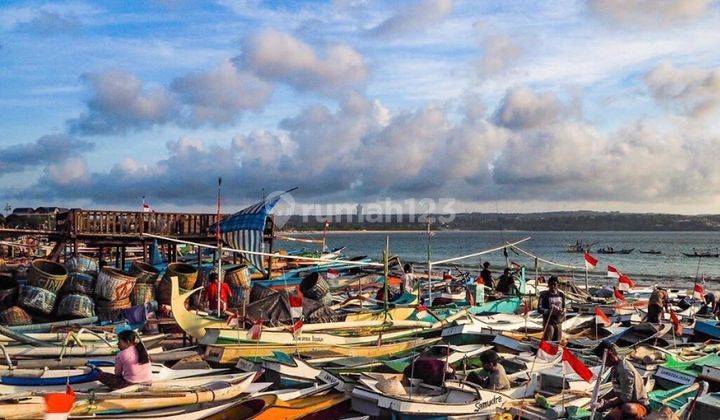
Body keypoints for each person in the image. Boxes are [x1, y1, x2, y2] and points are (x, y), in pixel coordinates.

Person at [592, 341, 649, 420]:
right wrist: (601, 398)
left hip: (637, 405)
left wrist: (605, 406)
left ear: (610, 355)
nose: (603, 362)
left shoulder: (624, 370)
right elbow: (616, 390)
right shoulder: (614, 368)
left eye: (602, 359)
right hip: (623, 402)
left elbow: (626, 398)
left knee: (627, 408)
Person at [538, 276, 565, 342]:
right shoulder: (543, 295)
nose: (553, 286)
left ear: (557, 285)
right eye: (551, 284)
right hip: (549, 321)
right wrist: (549, 311)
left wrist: (563, 310)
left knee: (557, 342)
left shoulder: (561, 294)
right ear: (548, 284)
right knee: (548, 341)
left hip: (558, 321)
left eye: (554, 284)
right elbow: (539, 309)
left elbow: (564, 306)